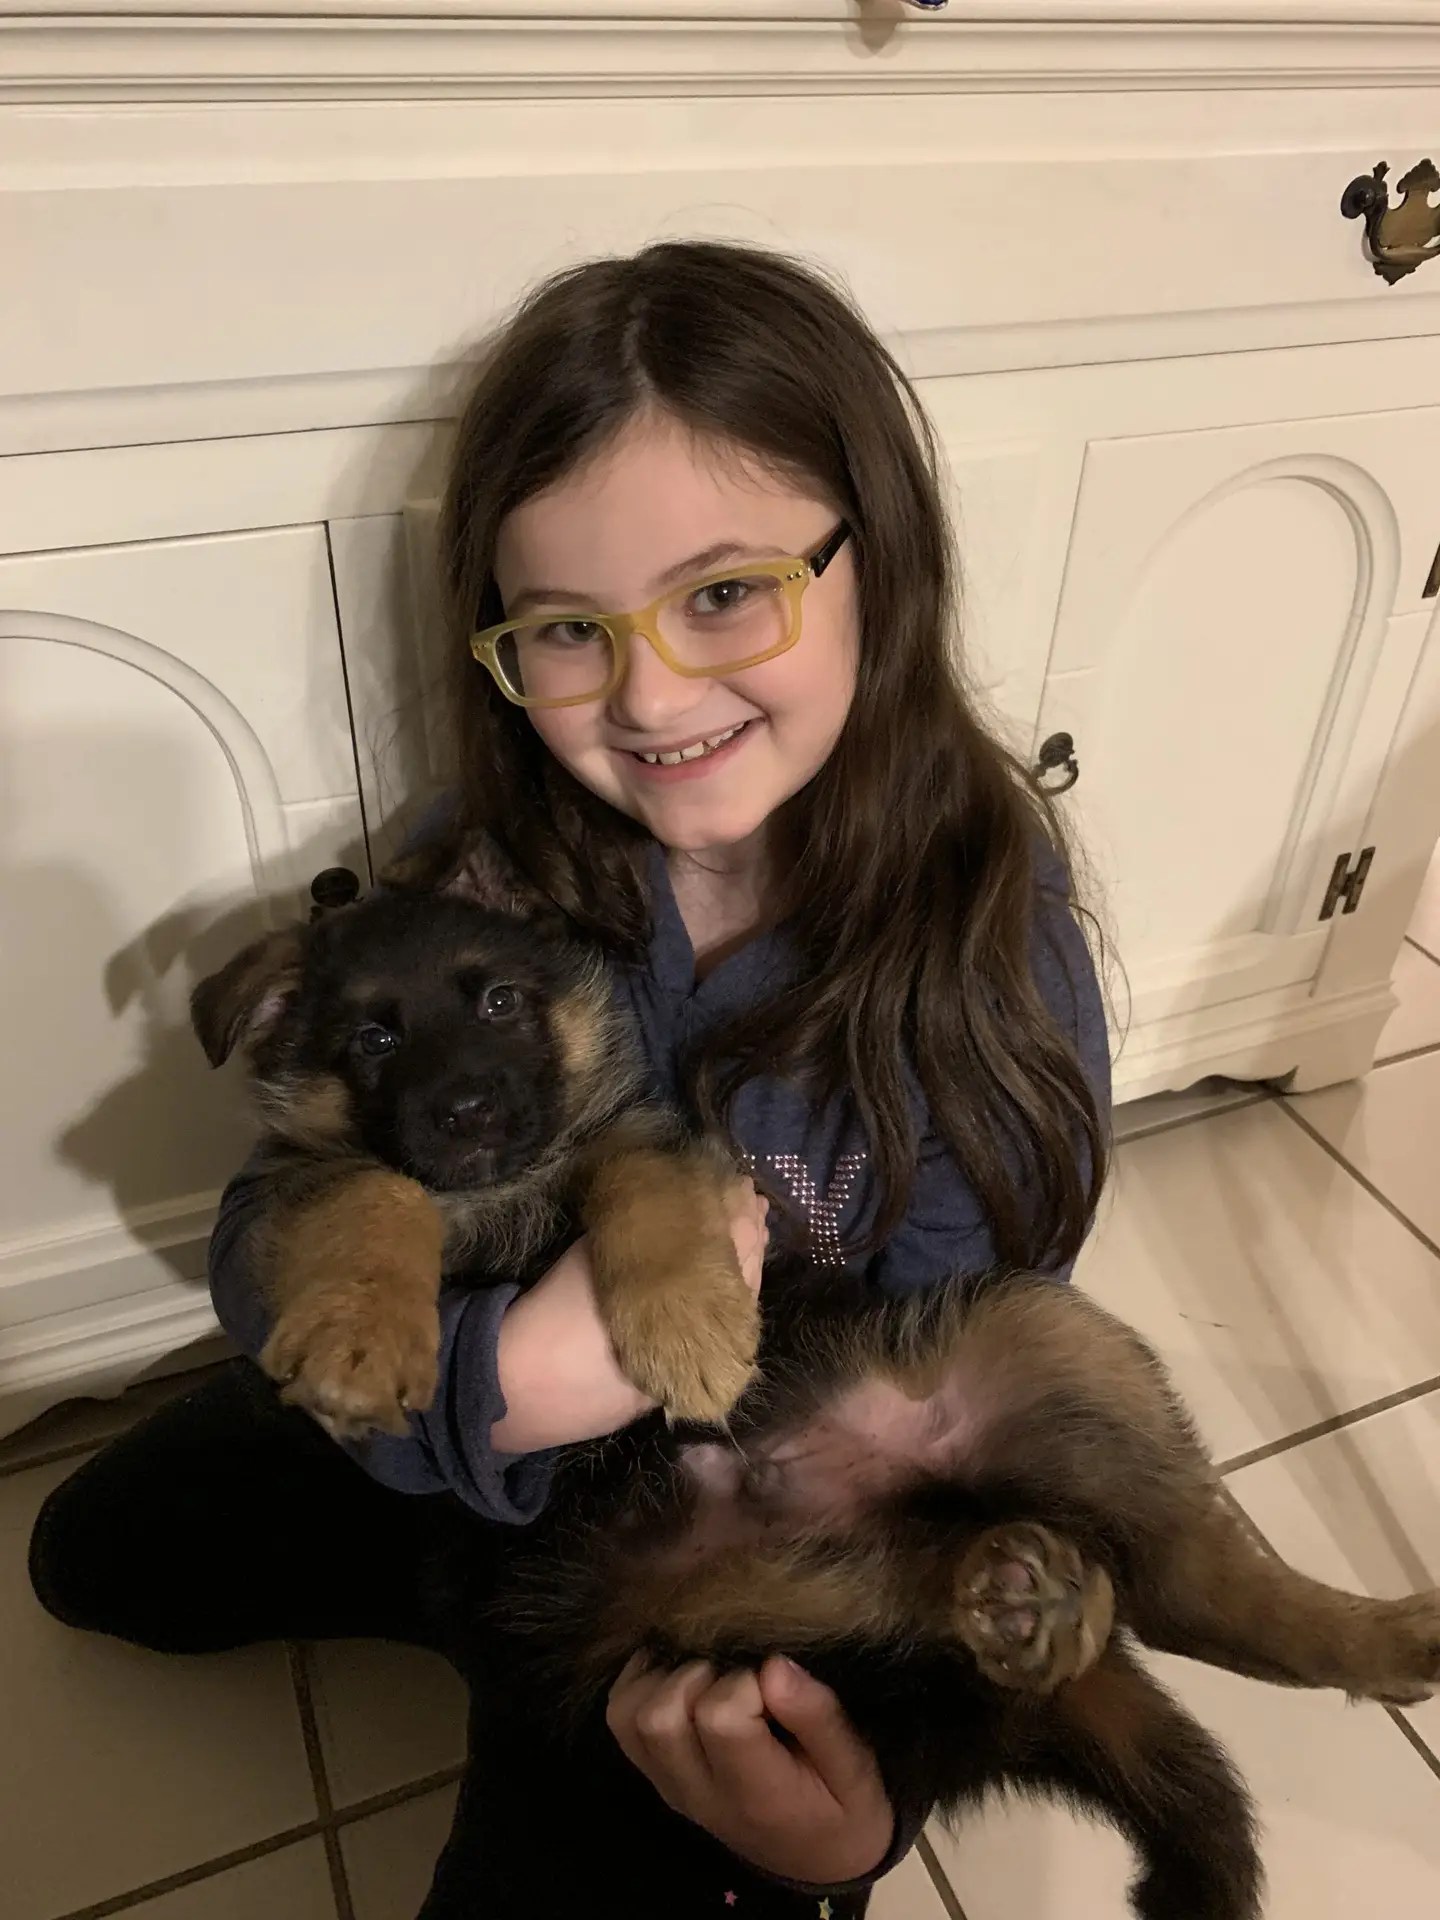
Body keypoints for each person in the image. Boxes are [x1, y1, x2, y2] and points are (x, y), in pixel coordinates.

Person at [29, 240, 1111, 1917]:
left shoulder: (988, 969)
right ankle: (455, 1568)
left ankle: (550, 1686)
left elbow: (969, 1448)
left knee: (657, 1812)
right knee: (89, 1563)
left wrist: (866, 1818)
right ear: (498, 640)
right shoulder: (484, 873)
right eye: (564, 629)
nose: (655, 690)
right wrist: (490, 1397)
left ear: (877, 565)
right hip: (474, 1397)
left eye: (729, 591)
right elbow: (272, 1218)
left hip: (696, 1556)